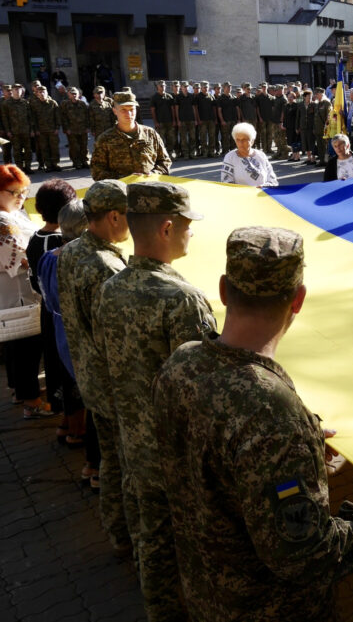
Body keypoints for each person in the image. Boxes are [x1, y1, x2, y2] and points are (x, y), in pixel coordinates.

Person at [152, 226, 353, 621]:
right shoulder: (273, 413)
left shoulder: (181, 364)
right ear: (299, 300)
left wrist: (299, 458)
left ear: (223, 290)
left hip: (206, 597)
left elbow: (208, 471)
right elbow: (305, 557)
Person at [94, 181, 218, 621]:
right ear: (167, 228)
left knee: (153, 538)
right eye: (186, 226)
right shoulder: (180, 299)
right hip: (176, 452)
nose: (190, 234)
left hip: (135, 441)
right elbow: (204, 387)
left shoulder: (112, 287)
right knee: (189, 546)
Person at [57, 179, 132, 553]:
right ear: (115, 216)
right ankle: (129, 535)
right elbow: (118, 337)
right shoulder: (105, 266)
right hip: (114, 383)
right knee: (126, 466)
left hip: (88, 375)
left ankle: (117, 531)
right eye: (129, 217)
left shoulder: (71, 251)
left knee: (110, 461)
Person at [25, 178, 77, 430]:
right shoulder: (58, 243)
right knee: (66, 369)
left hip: (48, 310)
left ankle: (65, 421)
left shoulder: (36, 237)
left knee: (56, 365)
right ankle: (72, 426)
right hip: (60, 314)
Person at [0, 165, 49, 417]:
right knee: (26, 346)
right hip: (18, 293)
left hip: (17, 294)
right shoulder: (2, 220)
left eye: (25, 192)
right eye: (15, 192)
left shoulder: (12, 213)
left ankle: (20, 392)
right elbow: (20, 259)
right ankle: (32, 402)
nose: (22, 197)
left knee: (17, 346)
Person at [91, 90, 172, 181]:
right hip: (120, 191)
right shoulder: (105, 139)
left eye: (131, 109)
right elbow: (97, 171)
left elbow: (165, 161)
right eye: (123, 110)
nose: (129, 114)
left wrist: (154, 173)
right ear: (114, 111)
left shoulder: (150, 134)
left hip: (150, 187)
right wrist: (125, 179)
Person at [222, 122, 279, 188]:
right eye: (237, 140)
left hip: (262, 194)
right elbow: (226, 181)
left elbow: (272, 179)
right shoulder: (230, 157)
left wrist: (263, 186)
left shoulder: (261, 155)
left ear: (252, 141)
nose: (240, 143)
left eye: (244, 139)